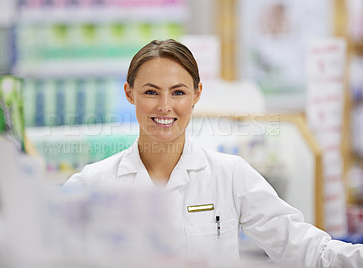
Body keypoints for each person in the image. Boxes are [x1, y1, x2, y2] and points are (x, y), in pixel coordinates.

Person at [63, 39, 363, 267]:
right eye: (151, 92)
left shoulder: (229, 175)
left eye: (178, 92)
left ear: (197, 94)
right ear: (130, 94)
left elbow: (306, 248)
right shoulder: (92, 183)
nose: (165, 106)